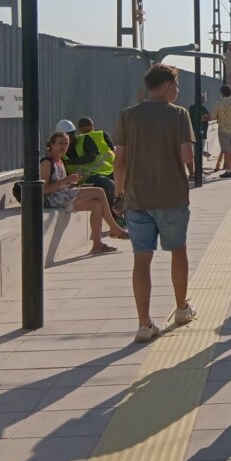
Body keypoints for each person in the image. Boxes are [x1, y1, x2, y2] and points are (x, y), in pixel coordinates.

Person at [113, 64, 197, 343]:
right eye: (176, 85)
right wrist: (192, 168)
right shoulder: (179, 115)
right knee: (178, 251)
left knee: (142, 260)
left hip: (137, 198)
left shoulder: (127, 116)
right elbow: (186, 155)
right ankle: (182, 308)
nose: (177, 91)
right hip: (171, 195)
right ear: (166, 86)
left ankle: (144, 323)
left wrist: (118, 192)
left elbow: (120, 160)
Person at [41, 131, 128, 254]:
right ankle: (114, 227)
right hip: (52, 199)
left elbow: (61, 185)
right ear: (51, 144)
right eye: (60, 143)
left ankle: (97, 244)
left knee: (96, 204)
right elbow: (43, 189)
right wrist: (66, 180)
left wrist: (72, 183)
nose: (64, 147)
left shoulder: (60, 161)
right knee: (99, 191)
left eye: (66, 144)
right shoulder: (47, 162)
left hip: (62, 196)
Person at [63, 116, 119, 212]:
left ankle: (122, 214)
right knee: (109, 186)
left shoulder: (85, 138)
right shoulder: (62, 152)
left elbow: (92, 157)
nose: (70, 138)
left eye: (71, 134)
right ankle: (113, 214)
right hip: (90, 177)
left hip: (108, 169)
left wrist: (68, 162)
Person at [187, 92, 211, 175]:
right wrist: (204, 117)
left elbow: (209, 117)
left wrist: (205, 117)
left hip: (203, 134)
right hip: (195, 134)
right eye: (201, 98)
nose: (203, 100)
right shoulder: (193, 108)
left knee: (199, 153)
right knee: (196, 153)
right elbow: (199, 119)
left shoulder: (203, 108)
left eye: (203, 98)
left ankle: (199, 169)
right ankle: (196, 171)